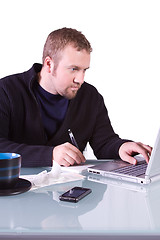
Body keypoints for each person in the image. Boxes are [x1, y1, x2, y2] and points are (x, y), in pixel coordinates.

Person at [0, 27, 152, 167]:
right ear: (49, 64)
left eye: (84, 70)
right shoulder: (6, 91)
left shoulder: (90, 97)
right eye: (73, 69)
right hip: (17, 189)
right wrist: (50, 155)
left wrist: (121, 147)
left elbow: (104, 143)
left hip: (70, 192)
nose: (80, 79)